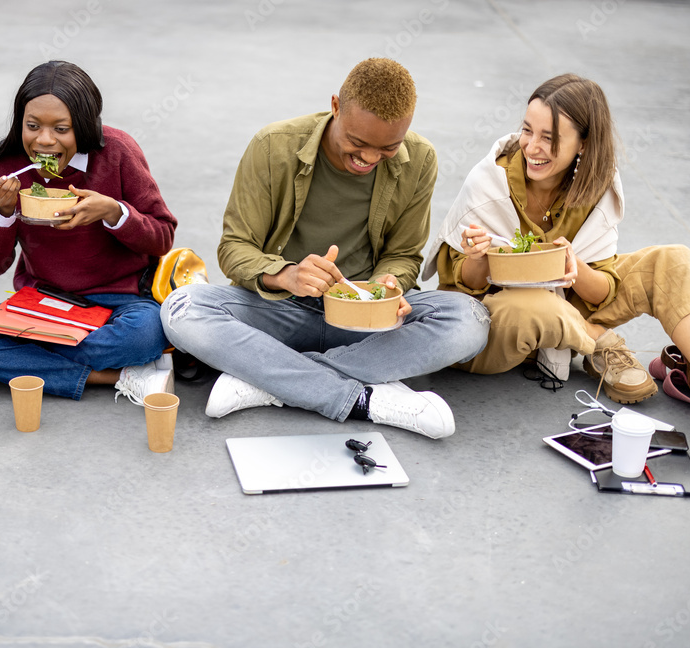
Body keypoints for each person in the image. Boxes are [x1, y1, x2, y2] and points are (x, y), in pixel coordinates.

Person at [160, 58, 489, 439]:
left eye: (387, 148)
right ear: (335, 106)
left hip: (366, 323)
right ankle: (365, 399)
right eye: (358, 142)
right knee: (183, 308)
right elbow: (235, 248)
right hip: (280, 311)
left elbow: (404, 255)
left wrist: (389, 283)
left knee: (471, 319)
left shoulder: (420, 158)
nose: (368, 158)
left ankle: (269, 379)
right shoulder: (272, 146)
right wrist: (288, 275)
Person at [422, 73, 690, 407]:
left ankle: (689, 369)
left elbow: (602, 291)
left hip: (567, 305)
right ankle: (599, 343)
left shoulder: (596, 186)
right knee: (535, 303)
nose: (532, 147)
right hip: (497, 326)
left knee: (674, 261)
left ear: (583, 143)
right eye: (527, 130)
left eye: (548, 138)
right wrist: (479, 258)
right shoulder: (489, 184)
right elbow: (460, 290)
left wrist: (574, 266)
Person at [0, 61, 178, 403]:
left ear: (83, 126)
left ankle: (10, 365)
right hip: (44, 301)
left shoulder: (117, 152)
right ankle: (114, 376)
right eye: (32, 126)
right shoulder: (6, 169)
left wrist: (114, 212)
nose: (45, 141)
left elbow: (163, 236)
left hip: (121, 301)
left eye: (61, 129)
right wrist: (2, 213)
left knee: (143, 336)